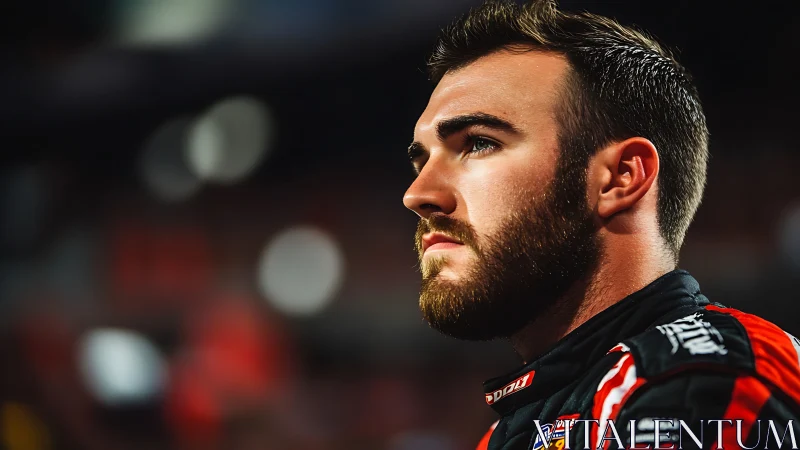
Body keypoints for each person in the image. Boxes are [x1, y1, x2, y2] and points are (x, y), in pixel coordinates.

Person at [402, 1, 800, 449]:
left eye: (478, 143)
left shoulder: (700, 376)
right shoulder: (512, 429)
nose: (417, 195)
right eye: (421, 159)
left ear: (621, 178)